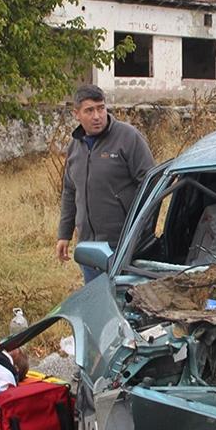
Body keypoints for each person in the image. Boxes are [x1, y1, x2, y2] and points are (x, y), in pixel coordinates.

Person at [56, 84, 156, 283]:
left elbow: (151, 184)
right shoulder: (75, 146)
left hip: (123, 245)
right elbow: (70, 191)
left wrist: (139, 231)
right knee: (96, 297)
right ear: (76, 114)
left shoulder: (128, 137)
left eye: (101, 108)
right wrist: (64, 234)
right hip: (89, 247)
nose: (97, 116)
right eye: (89, 110)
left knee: (124, 298)